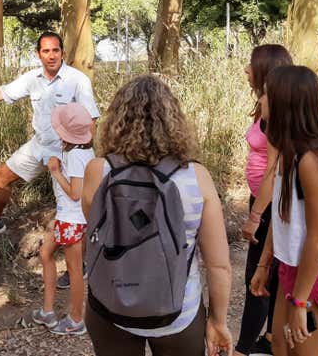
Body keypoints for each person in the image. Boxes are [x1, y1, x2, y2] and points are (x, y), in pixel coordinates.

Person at [81, 75, 233, 356]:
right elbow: (218, 265)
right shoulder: (196, 178)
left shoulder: (97, 172)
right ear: (174, 121)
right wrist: (217, 320)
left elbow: (97, 233)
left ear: (117, 120)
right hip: (177, 313)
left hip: (111, 304)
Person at [0, 31, 100, 234]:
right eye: (46, 51)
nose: (51, 55)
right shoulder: (32, 78)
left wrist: (82, 155)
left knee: (75, 205)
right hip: (39, 145)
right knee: (1, 175)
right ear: (38, 54)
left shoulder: (78, 80)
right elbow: (3, 92)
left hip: (67, 151)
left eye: (56, 50)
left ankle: (87, 248)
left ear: (62, 52)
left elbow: (91, 120)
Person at [251, 66, 318, 356]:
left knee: (302, 351)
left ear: (286, 103)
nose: (261, 100)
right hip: (294, 263)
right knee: (280, 345)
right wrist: (264, 263)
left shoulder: (312, 160)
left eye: (267, 95)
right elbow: (282, 214)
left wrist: (300, 301)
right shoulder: (288, 151)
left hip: (317, 268)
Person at [236, 45, 292, 356]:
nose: (246, 69)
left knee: (257, 277)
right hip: (263, 201)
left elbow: (275, 170)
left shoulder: (275, 110)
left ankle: (242, 349)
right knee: (271, 273)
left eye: (251, 65)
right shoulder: (267, 106)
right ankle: (270, 339)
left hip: (269, 205)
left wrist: (255, 215)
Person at [31, 103, 94, 336]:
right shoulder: (80, 150)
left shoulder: (77, 155)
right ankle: (47, 311)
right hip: (68, 218)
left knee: (75, 270)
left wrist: (56, 172)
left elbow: (76, 193)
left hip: (72, 219)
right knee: (45, 253)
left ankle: (77, 318)